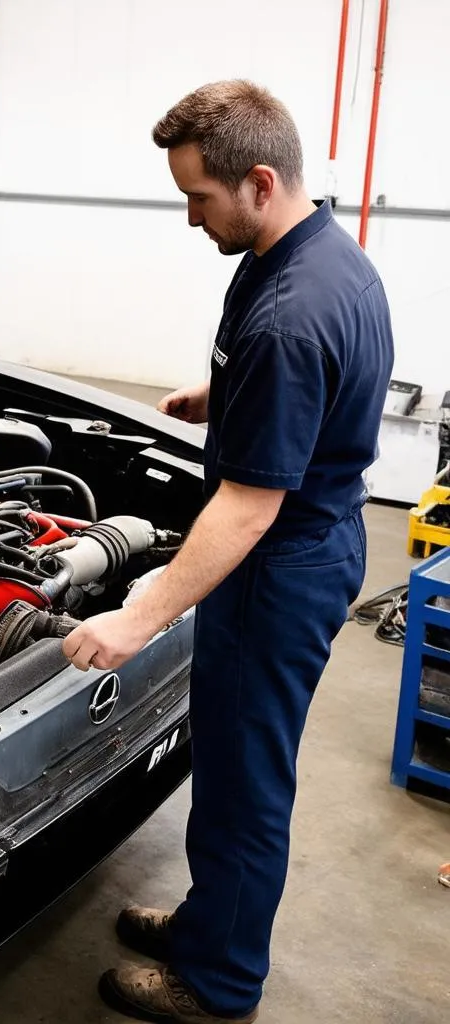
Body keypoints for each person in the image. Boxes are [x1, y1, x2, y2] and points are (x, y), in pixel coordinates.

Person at [61, 80, 394, 1023]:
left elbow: (247, 510)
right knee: (234, 764)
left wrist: (138, 615)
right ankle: (215, 926)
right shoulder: (324, 255)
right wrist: (227, 399)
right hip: (315, 542)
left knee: (246, 787)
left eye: (199, 199)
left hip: (280, 571)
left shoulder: (293, 310)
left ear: (257, 180)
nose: (190, 218)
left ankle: (218, 983)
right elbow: (320, 380)